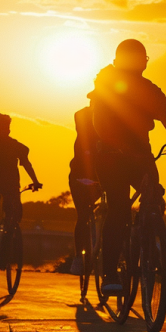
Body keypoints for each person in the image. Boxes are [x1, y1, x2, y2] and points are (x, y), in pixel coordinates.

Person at [89, 39, 166, 295]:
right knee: (119, 208)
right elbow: (99, 122)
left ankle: (148, 235)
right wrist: (115, 145)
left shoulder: (148, 89)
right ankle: (110, 274)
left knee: (154, 194)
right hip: (110, 157)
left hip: (138, 154)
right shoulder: (106, 85)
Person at [0, 114, 42, 273]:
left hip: (10, 186)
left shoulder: (16, 146)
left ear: (9, 129)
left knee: (14, 216)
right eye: (1, 127)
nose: (4, 130)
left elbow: (26, 163)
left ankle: (5, 248)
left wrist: (35, 180)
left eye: (6, 127)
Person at [68, 106, 100, 278]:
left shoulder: (114, 117)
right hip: (81, 177)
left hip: (104, 176)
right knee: (83, 216)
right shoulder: (82, 115)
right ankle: (78, 258)